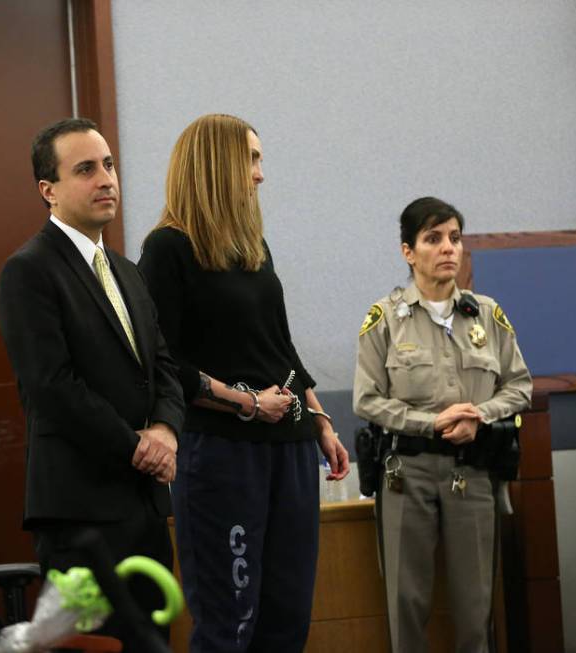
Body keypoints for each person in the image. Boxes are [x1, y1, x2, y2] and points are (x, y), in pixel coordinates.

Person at [138, 113, 350, 653]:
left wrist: (321, 421)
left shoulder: (254, 247)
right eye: (251, 159)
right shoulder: (167, 249)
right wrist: (246, 403)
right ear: (216, 164)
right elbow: (162, 363)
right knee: (232, 624)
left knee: (288, 618)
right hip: (222, 454)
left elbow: (281, 347)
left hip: (291, 448)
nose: (260, 175)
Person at [0, 118, 185, 649]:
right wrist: (137, 446)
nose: (105, 179)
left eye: (108, 165)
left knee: (151, 644)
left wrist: (167, 430)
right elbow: (51, 386)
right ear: (47, 190)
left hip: (143, 505)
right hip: (80, 511)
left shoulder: (126, 271)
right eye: (85, 169)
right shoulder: (29, 270)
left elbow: (164, 367)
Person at [353, 196, 532, 652]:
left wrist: (480, 415)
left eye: (455, 237)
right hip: (405, 477)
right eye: (433, 239)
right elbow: (367, 400)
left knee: (476, 609)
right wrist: (431, 423)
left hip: (471, 472)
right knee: (407, 604)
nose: (448, 247)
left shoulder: (487, 316)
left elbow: (520, 387)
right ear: (408, 252)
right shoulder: (385, 320)